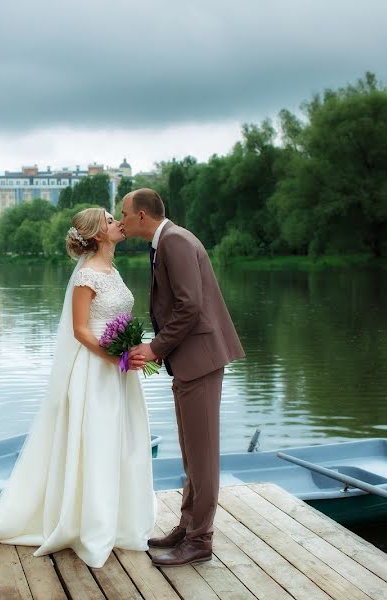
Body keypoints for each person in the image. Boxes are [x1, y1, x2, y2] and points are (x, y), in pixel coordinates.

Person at [0, 207, 156, 568]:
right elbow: (81, 330)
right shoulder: (87, 275)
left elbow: (115, 319)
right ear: (98, 234)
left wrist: (131, 351)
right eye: (109, 220)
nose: (117, 221)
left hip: (120, 370)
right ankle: (89, 523)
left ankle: (119, 519)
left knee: (121, 441)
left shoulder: (113, 271)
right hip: (96, 370)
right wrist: (115, 357)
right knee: (97, 441)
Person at [120, 188, 245, 567]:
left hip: (201, 360)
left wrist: (155, 348)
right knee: (192, 452)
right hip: (190, 361)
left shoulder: (174, 241)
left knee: (203, 457)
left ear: (142, 216)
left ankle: (200, 541)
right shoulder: (167, 241)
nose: (121, 220)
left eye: (123, 214)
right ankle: (187, 527)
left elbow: (190, 305)